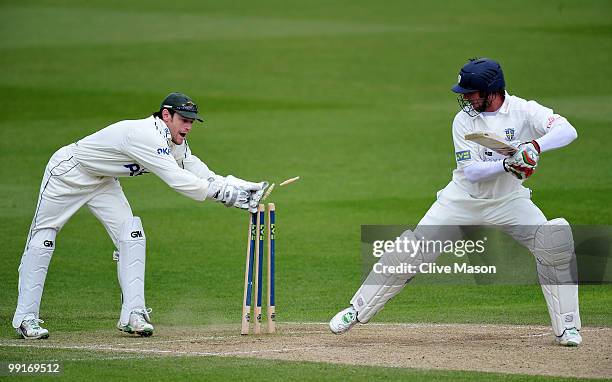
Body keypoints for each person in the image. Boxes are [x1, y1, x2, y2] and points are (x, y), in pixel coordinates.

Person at [329, 58, 582, 346]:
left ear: (491, 90)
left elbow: (567, 130)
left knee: (554, 241)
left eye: (470, 92)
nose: (465, 97)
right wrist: (508, 165)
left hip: (509, 200)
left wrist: (534, 147)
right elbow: (472, 172)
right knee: (409, 251)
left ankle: (568, 327)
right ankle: (356, 309)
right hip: (463, 199)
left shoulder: (524, 110)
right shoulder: (464, 120)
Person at [13, 92, 268, 339]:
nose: (188, 127)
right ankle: (25, 318)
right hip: (68, 173)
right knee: (43, 238)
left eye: (191, 122)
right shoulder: (145, 135)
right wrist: (223, 195)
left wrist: (238, 186)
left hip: (102, 181)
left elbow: (200, 172)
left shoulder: (173, 142)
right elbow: (177, 180)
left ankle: (133, 314)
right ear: (166, 115)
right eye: (184, 120)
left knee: (132, 235)